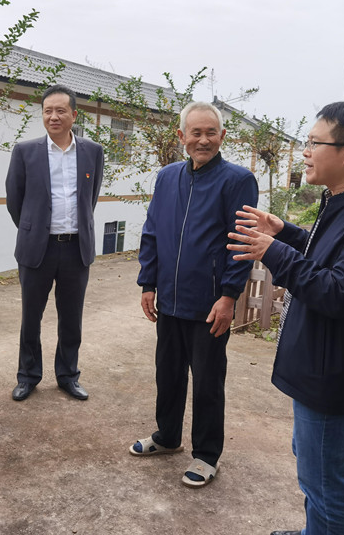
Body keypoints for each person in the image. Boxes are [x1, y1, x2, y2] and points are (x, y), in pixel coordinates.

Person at [227, 101, 344, 535]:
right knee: (312, 466)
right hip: (319, 364)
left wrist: (274, 252)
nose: (305, 153)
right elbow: (329, 255)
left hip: (334, 375)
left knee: (324, 481)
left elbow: (337, 291)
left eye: (314, 143)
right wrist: (286, 233)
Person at [132, 101, 258, 487]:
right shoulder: (167, 177)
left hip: (209, 303)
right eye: (195, 132)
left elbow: (242, 243)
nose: (203, 140)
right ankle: (167, 437)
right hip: (169, 299)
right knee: (168, 373)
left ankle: (206, 454)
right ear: (181, 136)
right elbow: (152, 231)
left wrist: (229, 295)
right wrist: (148, 283)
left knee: (207, 380)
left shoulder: (238, 180)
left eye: (210, 133)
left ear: (222, 136)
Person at [5, 84, 104, 402]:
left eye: (61, 110)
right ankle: (28, 376)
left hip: (76, 248)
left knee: (71, 318)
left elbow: (91, 197)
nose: (54, 116)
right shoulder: (25, 151)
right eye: (48, 111)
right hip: (38, 248)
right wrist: (33, 229)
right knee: (31, 317)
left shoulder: (92, 151)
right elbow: (14, 200)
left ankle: (68, 375)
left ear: (74, 114)